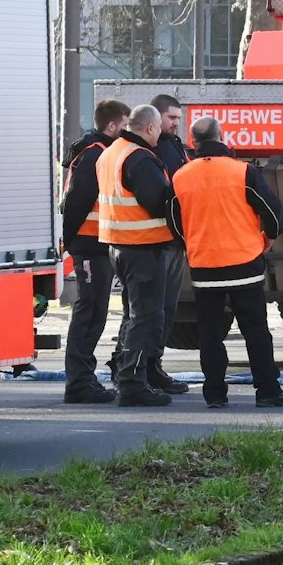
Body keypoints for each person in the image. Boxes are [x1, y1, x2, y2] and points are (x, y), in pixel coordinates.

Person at [168, 117, 283, 409]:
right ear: (222, 136)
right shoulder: (242, 171)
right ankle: (267, 390)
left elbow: (175, 222)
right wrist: (268, 239)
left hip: (204, 267)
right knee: (256, 331)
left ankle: (215, 393)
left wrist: (192, 244)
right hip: (244, 263)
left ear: (193, 142)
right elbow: (272, 211)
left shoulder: (181, 176)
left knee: (210, 334)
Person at [98, 104, 183, 406]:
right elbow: (158, 202)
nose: (160, 133)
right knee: (146, 317)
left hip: (119, 245)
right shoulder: (141, 158)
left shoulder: (112, 152)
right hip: (143, 246)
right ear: (149, 128)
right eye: (158, 127)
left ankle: (128, 375)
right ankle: (133, 384)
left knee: (134, 315)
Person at [58, 98, 129, 404]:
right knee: (89, 313)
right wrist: (70, 241)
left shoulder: (98, 151)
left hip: (95, 243)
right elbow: (77, 200)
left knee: (95, 312)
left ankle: (82, 379)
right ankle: (79, 382)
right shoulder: (96, 154)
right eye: (125, 125)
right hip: (89, 244)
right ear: (112, 125)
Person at [149, 92, 192, 385]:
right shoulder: (156, 150)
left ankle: (150, 366)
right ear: (157, 116)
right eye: (171, 118)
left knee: (163, 309)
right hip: (160, 241)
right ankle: (146, 368)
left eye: (179, 118)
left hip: (172, 239)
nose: (176, 123)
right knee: (155, 310)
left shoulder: (173, 146)